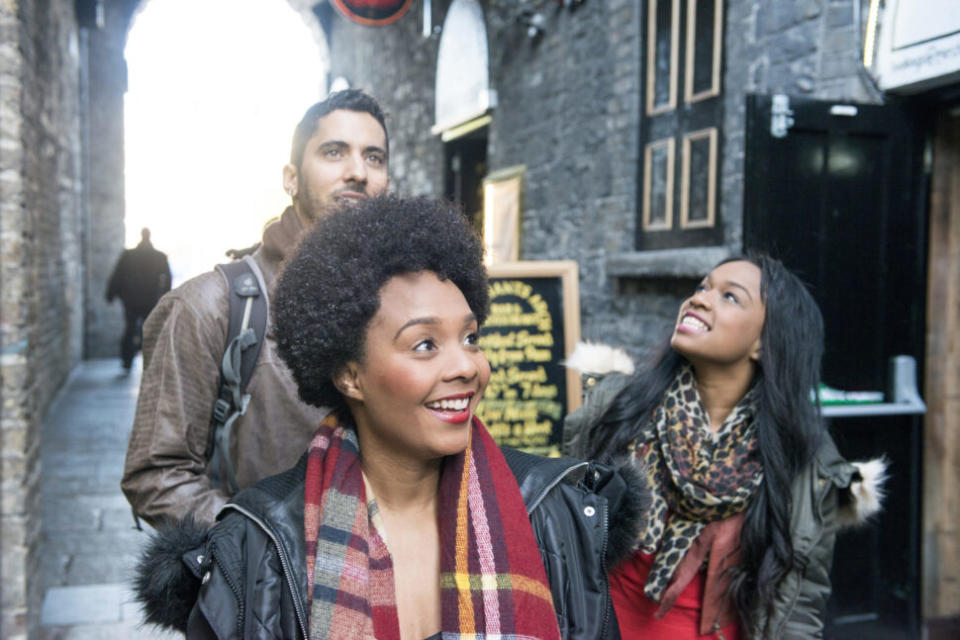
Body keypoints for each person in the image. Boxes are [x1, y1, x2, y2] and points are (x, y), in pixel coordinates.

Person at [133, 195, 647, 640]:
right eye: (426, 344)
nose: (467, 365)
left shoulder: (555, 514)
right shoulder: (259, 550)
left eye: (471, 338)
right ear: (349, 375)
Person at [563, 254, 888, 639]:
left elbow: (799, 606)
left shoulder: (804, 461)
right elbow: (563, 543)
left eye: (730, 297)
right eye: (703, 287)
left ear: (765, 345)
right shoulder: (616, 408)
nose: (700, 298)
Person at [122, 89, 391, 528]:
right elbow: (157, 475)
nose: (358, 172)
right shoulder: (210, 306)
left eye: (374, 157)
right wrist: (263, 547)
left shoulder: (404, 302)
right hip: (266, 588)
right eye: (334, 152)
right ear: (291, 178)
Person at [105, 227, 172, 371]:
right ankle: (150, 362)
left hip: (132, 299)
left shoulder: (129, 255)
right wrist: (166, 297)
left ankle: (128, 360)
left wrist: (111, 294)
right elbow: (167, 279)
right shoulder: (158, 256)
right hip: (149, 299)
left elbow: (118, 275)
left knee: (131, 329)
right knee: (149, 331)